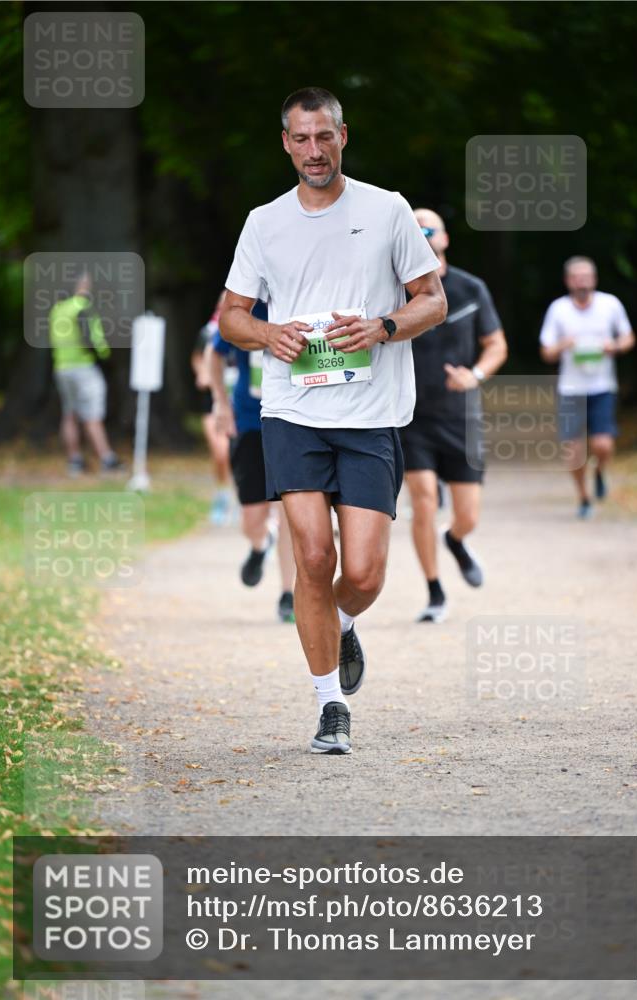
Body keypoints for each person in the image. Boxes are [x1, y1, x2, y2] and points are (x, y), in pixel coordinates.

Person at [219, 87, 446, 755]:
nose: (313, 150)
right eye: (300, 138)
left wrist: (381, 326)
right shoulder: (264, 221)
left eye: (324, 137)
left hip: (371, 414)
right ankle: (329, 706)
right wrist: (267, 336)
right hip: (293, 410)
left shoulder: (387, 210)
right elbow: (231, 314)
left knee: (367, 572)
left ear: (342, 136)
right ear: (284, 143)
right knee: (313, 557)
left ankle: (343, 620)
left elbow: (430, 301)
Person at [400, 209, 508, 623]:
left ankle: (457, 541)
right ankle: (434, 592)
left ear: (445, 238)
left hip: (459, 417)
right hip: (411, 417)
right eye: (414, 229)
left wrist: (476, 375)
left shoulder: (469, 288)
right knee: (423, 502)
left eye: (429, 228)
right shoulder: (394, 290)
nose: (423, 234)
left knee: (468, 516)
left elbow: (496, 343)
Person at [211, 299, 296, 622]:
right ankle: (261, 544)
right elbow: (214, 354)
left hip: (295, 422)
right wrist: (221, 402)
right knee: (251, 519)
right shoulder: (246, 311)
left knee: (292, 510)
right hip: (250, 421)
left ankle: (288, 592)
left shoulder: (304, 301)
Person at [539, 257, 635, 519]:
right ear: (568, 280)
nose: (582, 281)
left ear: (594, 279)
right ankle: (583, 497)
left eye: (586, 276)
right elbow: (546, 351)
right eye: (576, 276)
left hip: (602, 386)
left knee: (603, 445)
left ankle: (601, 471)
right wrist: (563, 345)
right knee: (573, 450)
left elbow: (628, 338)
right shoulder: (558, 309)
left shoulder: (610, 304)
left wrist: (613, 347)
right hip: (570, 389)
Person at [49, 272, 122, 476]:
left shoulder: (58, 309)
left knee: (70, 414)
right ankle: (106, 458)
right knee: (93, 414)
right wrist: (104, 358)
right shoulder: (82, 306)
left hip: (62, 367)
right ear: (82, 285)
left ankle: (75, 461)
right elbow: (90, 338)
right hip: (84, 366)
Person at [192, 300, 235, 525]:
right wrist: (203, 374)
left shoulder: (246, 329)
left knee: (236, 453)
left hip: (238, 402)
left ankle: (239, 499)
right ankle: (222, 494)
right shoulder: (208, 332)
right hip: (211, 402)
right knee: (220, 453)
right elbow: (198, 357)